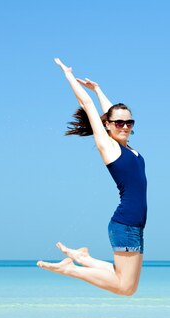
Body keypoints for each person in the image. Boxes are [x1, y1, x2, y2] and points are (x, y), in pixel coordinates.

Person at [37, 58, 147, 296]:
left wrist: (98, 89)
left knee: (128, 285)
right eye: (119, 123)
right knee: (125, 288)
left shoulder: (127, 147)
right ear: (107, 125)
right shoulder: (109, 147)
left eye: (129, 122)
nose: (125, 126)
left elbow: (111, 113)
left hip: (135, 226)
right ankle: (72, 269)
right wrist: (68, 75)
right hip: (125, 223)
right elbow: (87, 105)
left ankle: (83, 257)